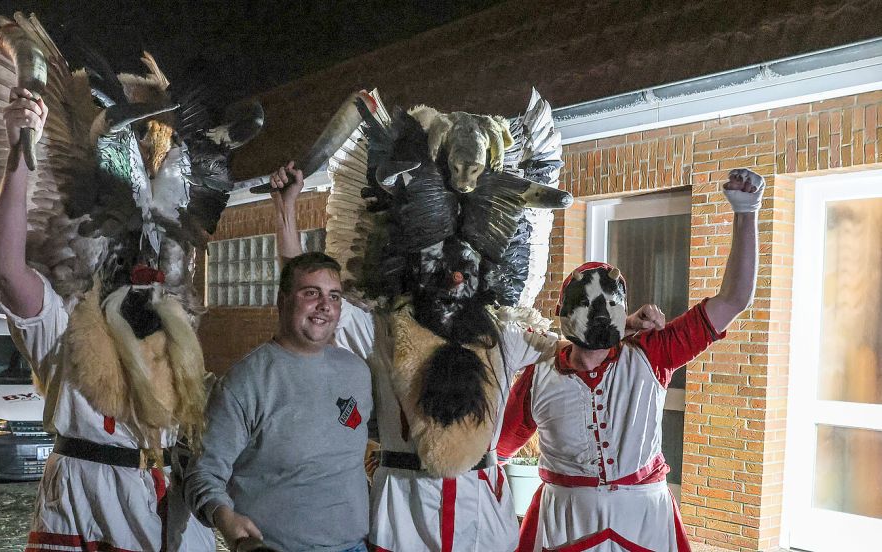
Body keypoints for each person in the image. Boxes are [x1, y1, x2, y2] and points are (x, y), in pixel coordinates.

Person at [268, 162, 662, 552]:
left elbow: (575, 346)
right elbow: (308, 288)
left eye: (466, 265)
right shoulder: (382, 331)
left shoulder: (504, 337)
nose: (455, 277)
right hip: (402, 520)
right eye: (440, 264)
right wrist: (286, 210)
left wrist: (619, 322)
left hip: (484, 524)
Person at [0, 87, 214, 551]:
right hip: (85, 509)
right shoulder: (65, 327)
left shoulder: (179, 339)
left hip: (172, 516)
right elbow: (9, 271)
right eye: (129, 255)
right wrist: (18, 152)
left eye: (154, 257)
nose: (144, 271)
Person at [497, 168, 765, 552]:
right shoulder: (539, 372)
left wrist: (746, 211)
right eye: (589, 307)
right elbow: (497, 452)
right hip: (564, 522)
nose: (600, 315)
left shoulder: (653, 352)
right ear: (563, 313)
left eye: (609, 307)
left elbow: (733, 300)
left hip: (644, 521)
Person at [184, 252, 373, 552]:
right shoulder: (246, 381)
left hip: (354, 547)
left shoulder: (357, 373)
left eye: (334, 296)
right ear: (282, 301)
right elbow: (203, 471)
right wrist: (223, 515)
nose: (325, 305)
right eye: (311, 293)